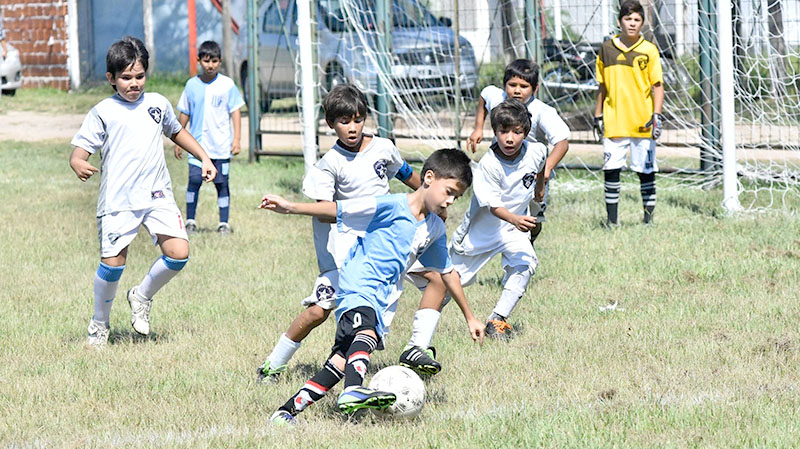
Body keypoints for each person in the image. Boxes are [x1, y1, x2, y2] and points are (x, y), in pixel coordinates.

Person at [259, 148, 485, 424]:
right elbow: (338, 209)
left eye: (457, 197)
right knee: (365, 333)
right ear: (428, 177)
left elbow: (448, 272)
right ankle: (354, 391)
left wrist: (470, 316)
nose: (451, 201)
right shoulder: (390, 205)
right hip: (357, 288)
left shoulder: (434, 228)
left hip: (381, 302)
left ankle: (285, 412)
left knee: (338, 365)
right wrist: (291, 207)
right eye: (448, 191)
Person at [256, 83, 421, 382]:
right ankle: (273, 364)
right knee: (319, 311)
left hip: (382, 247)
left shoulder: (383, 148)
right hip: (343, 251)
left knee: (436, 278)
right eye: (345, 121)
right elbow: (324, 214)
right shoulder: (329, 164)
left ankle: (419, 349)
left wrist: (429, 195)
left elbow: (407, 175)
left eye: (358, 119)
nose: (353, 127)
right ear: (331, 124)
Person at [69, 36, 217, 348]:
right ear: (111, 78)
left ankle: (141, 295)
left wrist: (203, 157)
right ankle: (99, 326)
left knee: (179, 253)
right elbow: (80, 152)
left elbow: (177, 132)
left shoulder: (158, 104)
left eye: (139, 76)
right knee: (113, 264)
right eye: (125, 78)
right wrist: (78, 162)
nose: (134, 84)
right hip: (118, 200)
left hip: (157, 194)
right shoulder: (103, 111)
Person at [405, 99, 546, 342]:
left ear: (526, 132)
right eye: (503, 131)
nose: (509, 138)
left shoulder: (536, 150)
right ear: (495, 131)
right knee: (447, 285)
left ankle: (497, 319)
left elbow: (541, 166)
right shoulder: (489, 165)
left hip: (513, 229)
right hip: (480, 233)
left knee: (525, 264)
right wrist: (515, 219)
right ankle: (420, 339)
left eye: (517, 132)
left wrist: (540, 188)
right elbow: (493, 207)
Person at [466, 58, 570, 243]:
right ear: (504, 85)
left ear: (535, 88)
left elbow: (562, 142)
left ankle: (528, 241)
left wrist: (544, 172)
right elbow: (484, 95)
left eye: (523, 86)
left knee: (534, 217)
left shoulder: (542, 112)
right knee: (492, 210)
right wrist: (478, 127)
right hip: (501, 168)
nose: (516, 90)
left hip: (531, 175)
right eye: (512, 84)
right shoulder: (496, 97)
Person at [593, 0, 664, 226]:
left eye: (636, 20)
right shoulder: (606, 48)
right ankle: (612, 222)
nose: (632, 24)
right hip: (614, 121)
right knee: (611, 170)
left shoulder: (649, 50)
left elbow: (658, 86)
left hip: (642, 122)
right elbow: (602, 86)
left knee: (645, 171)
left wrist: (657, 115)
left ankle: (648, 220)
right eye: (628, 19)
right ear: (619, 21)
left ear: (642, 23)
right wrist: (597, 115)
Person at [175, 40, 245, 234]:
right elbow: (185, 112)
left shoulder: (227, 85)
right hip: (197, 147)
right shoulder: (191, 85)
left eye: (214, 61)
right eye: (206, 61)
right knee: (194, 182)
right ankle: (190, 221)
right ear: (199, 61)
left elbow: (235, 112)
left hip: (220, 146)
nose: (210, 65)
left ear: (220, 61)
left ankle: (224, 223)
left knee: (222, 183)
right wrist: (178, 140)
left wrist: (237, 139)